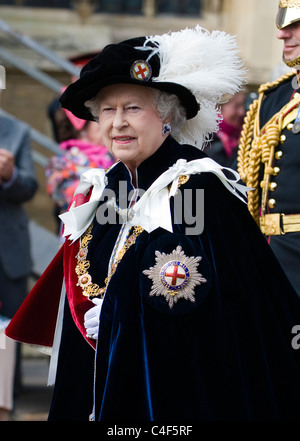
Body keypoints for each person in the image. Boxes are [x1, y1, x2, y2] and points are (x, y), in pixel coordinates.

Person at [5, 26, 300, 422]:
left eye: (133, 108)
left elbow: (192, 277)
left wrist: (121, 304)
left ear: (166, 117)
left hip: (170, 389)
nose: (118, 123)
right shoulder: (108, 186)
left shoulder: (194, 185)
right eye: (108, 110)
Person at [237, 0, 300, 298]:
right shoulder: (274, 97)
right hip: (264, 255)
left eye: (296, 25)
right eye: (282, 24)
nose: (282, 35)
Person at [0, 103, 38, 420]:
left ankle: (9, 395)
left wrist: (10, 176)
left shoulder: (16, 130)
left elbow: (30, 188)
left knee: (11, 325)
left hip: (8, 247)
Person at [204, 91, 246, 167]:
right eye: (236, 106)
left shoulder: (242, 135)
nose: (242, 112)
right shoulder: (206, 139)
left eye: (243, 106)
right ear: (219, 108)